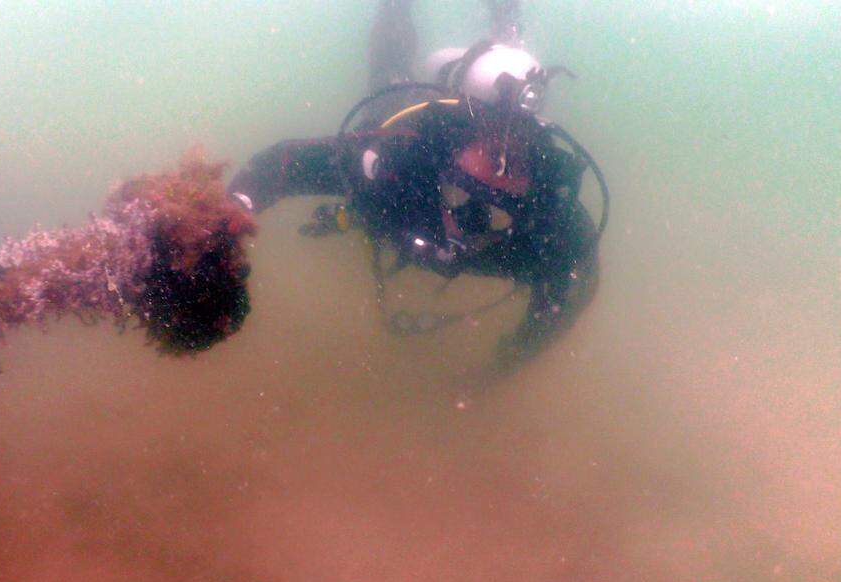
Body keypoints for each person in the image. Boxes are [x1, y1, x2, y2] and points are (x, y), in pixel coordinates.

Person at [228, 0, 608, 373]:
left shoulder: (553, 226)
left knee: (504, 51)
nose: (504, 169)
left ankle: (504, 25)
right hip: (403, 123)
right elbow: (283, 165)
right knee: (391, 74)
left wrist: (504, 365)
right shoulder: (394, 163)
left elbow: (569, 296)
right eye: (493, 149)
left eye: (521, 153)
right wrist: (228, 221)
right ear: (453, 136)